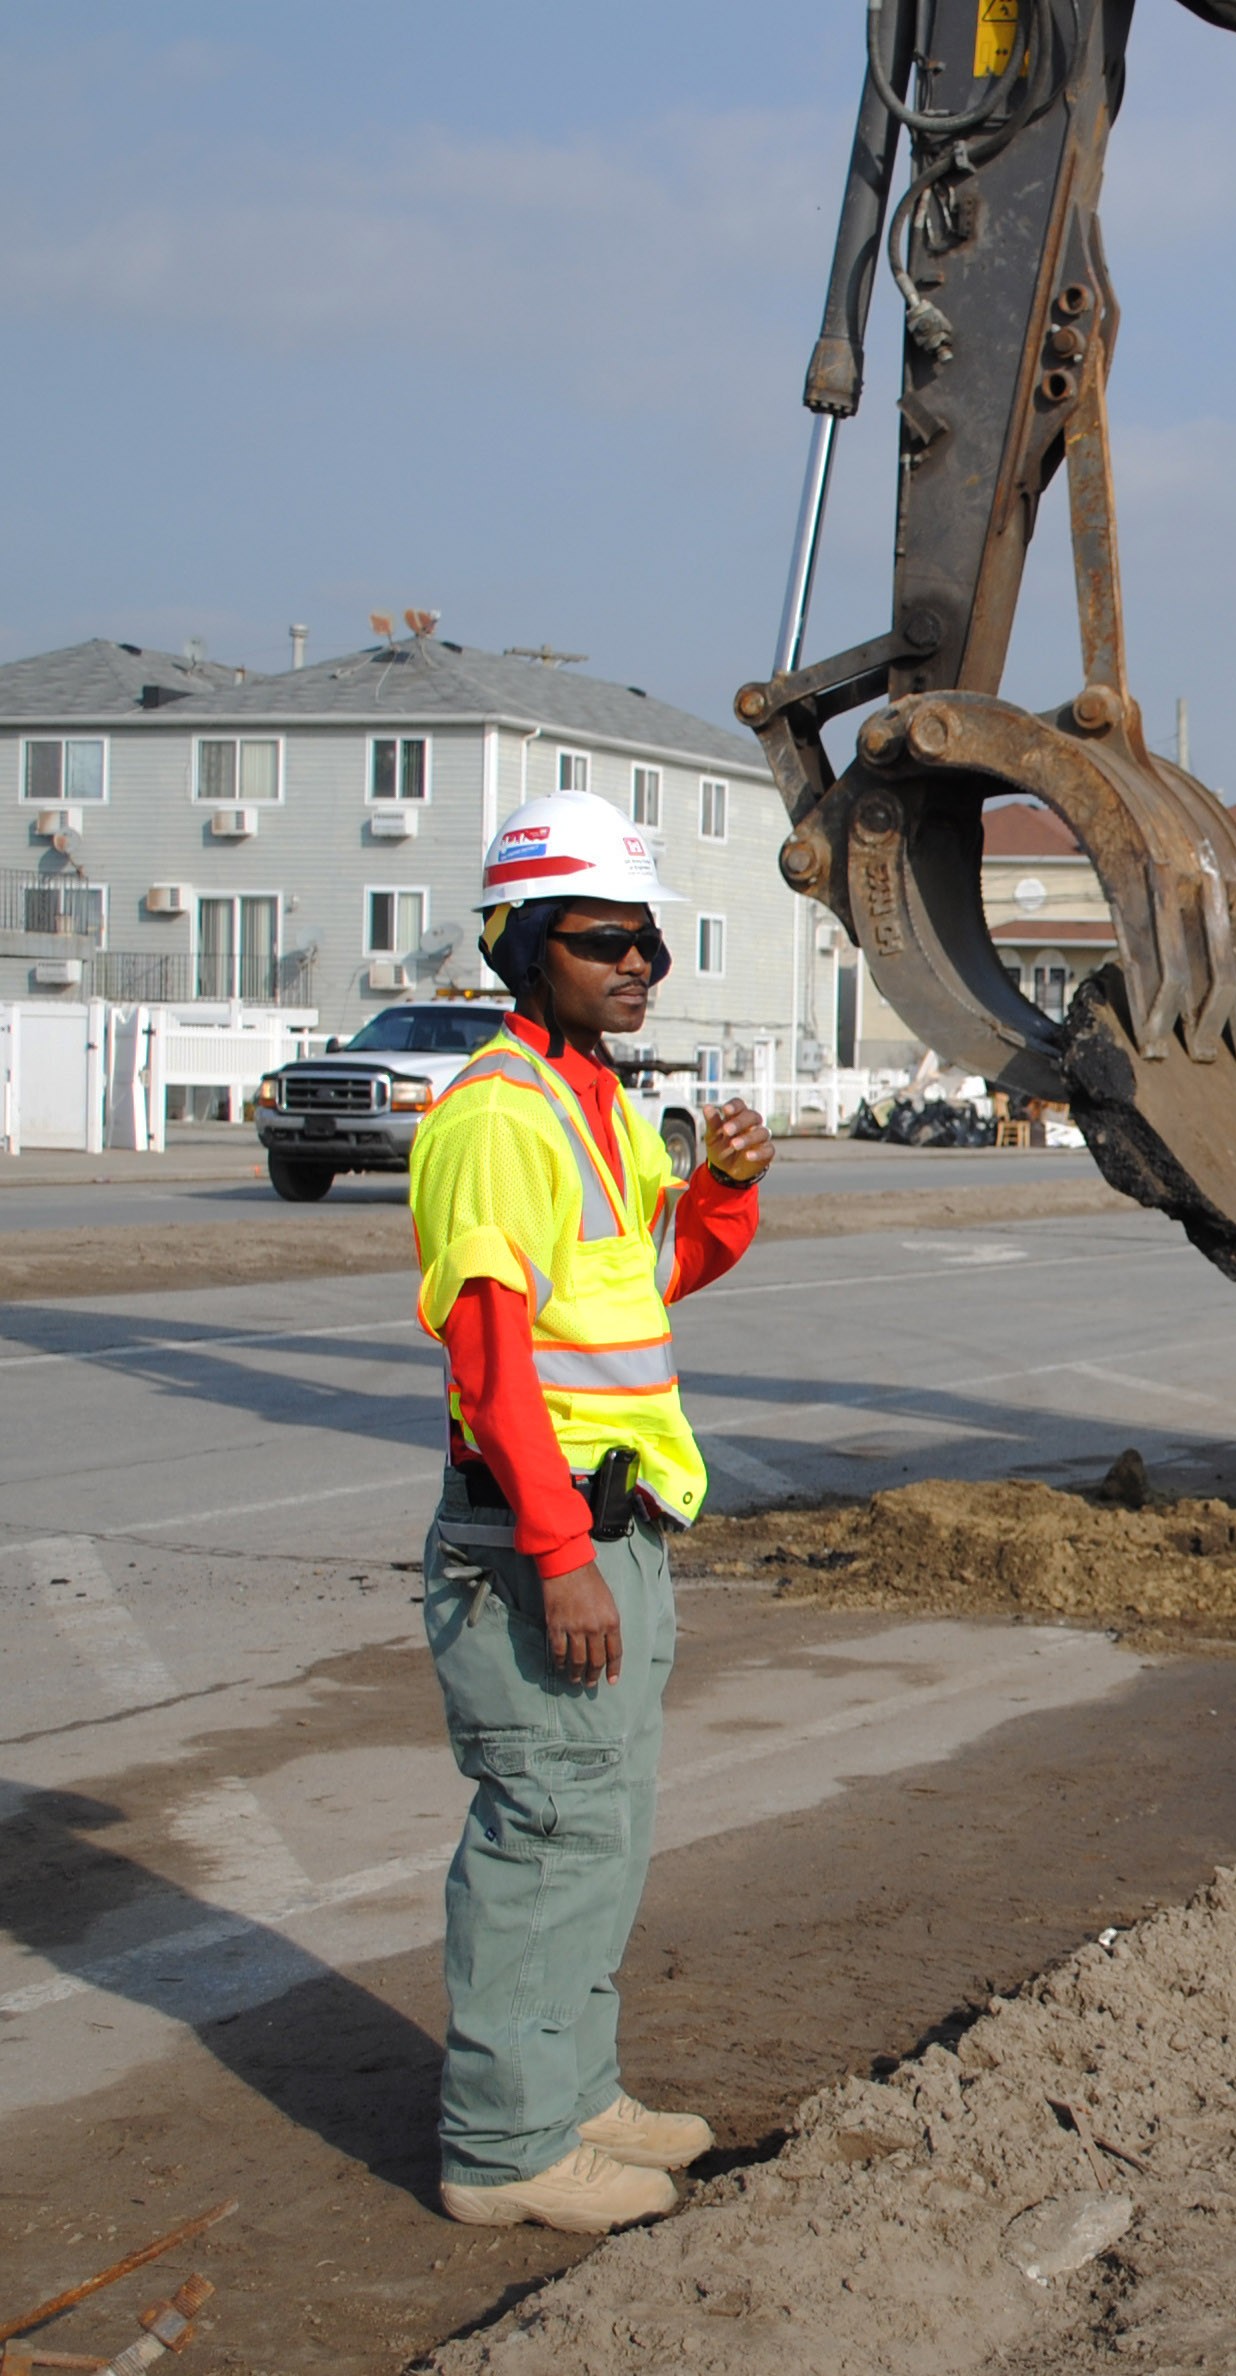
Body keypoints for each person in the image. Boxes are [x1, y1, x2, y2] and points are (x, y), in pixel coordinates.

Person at [407, 792, 775, 2233]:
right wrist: (562, 1556)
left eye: (651, 942)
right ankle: (505, 2151)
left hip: (612, 1530)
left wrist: (726, 1196)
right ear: (520, 945)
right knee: (547, 1833)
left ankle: (574, 2091)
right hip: (534, 1539)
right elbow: (491, 1360)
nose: (636, 962)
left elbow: (639, 1285)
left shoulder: (597, 1104)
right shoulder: (499, 1114)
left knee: (600, 1832)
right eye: (601, 938)